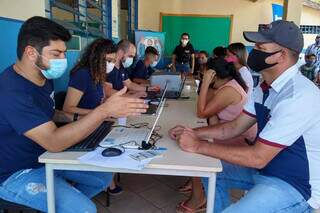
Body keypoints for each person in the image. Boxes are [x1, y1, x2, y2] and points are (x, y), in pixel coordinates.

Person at [0, 16, 148, 213]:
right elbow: (53, 141)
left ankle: (60, 202)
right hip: (16, 172)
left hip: (46, 157)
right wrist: (103, 111)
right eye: (56, 54)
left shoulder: (43, 78)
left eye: (64, 53)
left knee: (102, 178)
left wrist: (84, 118)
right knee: (85, 210)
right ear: (30, 52)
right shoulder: (12, 91)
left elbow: (51, 114)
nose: (62, 60)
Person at [170, 20, 320, 212]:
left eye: (260, 47)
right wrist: (193, 132)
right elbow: (233, 127)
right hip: (269, 169)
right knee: (212, 171)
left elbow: (258, 157)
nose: (253, 52)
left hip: (296, 186)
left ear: (281, 55)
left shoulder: (297, 96)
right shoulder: (264, 87)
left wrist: (198, 145)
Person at [176, 58, 257, 213]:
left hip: (238, 139)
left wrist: (205, 83)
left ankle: (199, 197)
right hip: (228, 132)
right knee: (194, 138)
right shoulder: (226, 85)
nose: (201, 74)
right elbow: (206, 109)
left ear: (213, 75)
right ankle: (197, 190)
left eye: (205, 73)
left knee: (196, 155)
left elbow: (201, 113)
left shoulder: (229, 89)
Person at [62, 38, 123, 195]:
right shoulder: (82, 74)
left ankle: (106, 183)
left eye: (113, 61)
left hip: (96, 123)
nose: (111, 64)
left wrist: (107, 110)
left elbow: (99, 101)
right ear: (97, 57)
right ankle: (75, 195)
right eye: (108, 60)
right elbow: (67, 108)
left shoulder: (98, 75)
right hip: (80, 127)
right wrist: (100, 113)